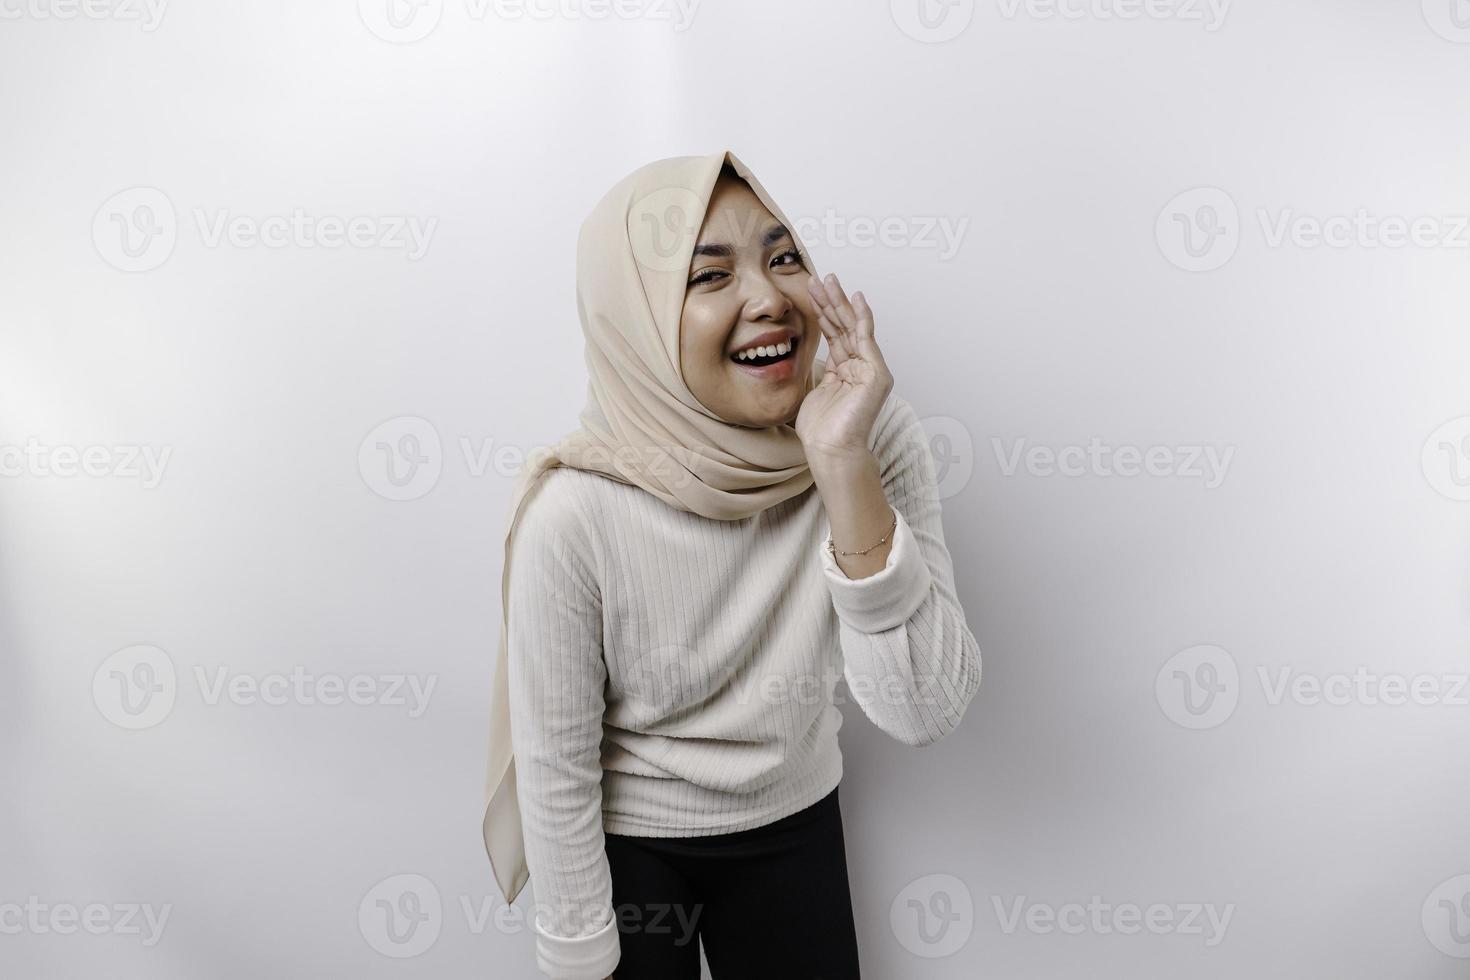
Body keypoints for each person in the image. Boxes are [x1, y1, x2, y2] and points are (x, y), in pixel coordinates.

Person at [480, 149, 983, 979]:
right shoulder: (574, 511)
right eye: (708, 277)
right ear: (633, 318)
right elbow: (554, 765)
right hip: (634, 845)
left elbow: (925, 710)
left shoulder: (863, 434)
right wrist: (576, 954)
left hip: (794, 817)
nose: (769, 299)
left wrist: (843, 466)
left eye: (783, 258)